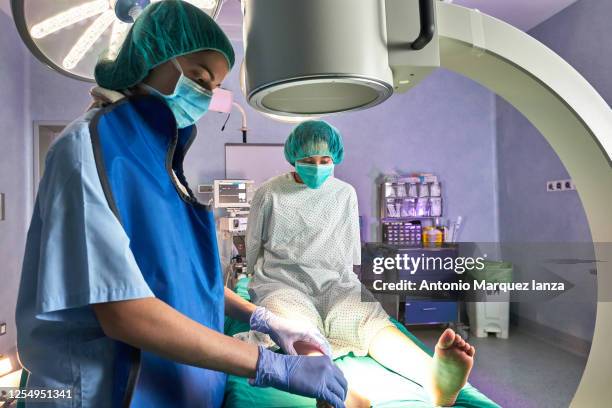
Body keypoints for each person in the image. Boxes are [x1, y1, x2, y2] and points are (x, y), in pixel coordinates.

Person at [15, 2, 347, 407]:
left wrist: (259, 318)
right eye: (197, 77)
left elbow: (176, 279)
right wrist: (269, 364)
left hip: (171, 384)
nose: (205, 96)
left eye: (213, 86)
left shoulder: (157, 159)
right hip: (101, 391)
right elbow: (125, 310)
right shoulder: (90, 148)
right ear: (151, 57)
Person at [246, 120, 476, 407]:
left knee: (369, 323)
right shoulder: (269, 193)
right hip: (283, 282)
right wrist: (255, 280)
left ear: (335, 158)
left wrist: (348, 282)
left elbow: (351, 250)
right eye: (307, 160)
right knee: (297, 328)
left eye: (324, 160)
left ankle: (434, 377)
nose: (317, 167)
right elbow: (254, 241)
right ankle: (331, 387)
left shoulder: (345, 193)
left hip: (335, 282)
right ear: (293, 157)